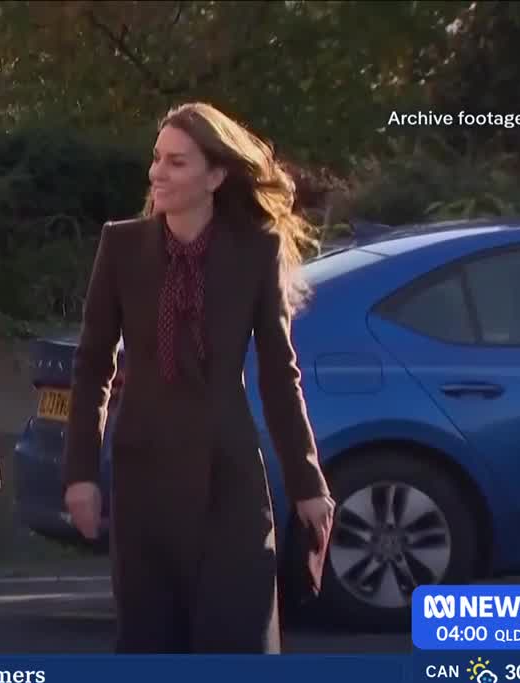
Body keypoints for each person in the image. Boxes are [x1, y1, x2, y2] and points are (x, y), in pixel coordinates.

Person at [62, 102, 336, 654]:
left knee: (236, 644)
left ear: (215, 176)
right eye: (157, 159)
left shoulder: (254, 254)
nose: (158, 172)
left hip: (228, 480)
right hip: (144, 478)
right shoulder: (122, 246)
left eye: (177, 162)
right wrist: (81, 474)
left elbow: (280, 377)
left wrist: (308, 483)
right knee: (150, 651)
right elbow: (92, 366)